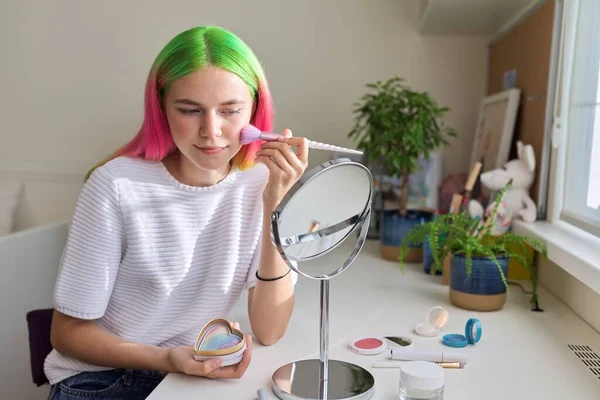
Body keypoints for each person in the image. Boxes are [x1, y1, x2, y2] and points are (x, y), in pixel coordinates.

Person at [44, 25, 308, 400]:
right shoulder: (115, 185)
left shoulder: (261, 183)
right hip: (101, 381)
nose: (211, 132)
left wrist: (275, 208)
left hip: (186, 379)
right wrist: (167, 358)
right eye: (189, 110)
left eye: (230, 111)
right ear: (162, 108)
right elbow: (66, 335)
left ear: (254, 112)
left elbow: (270, 329)